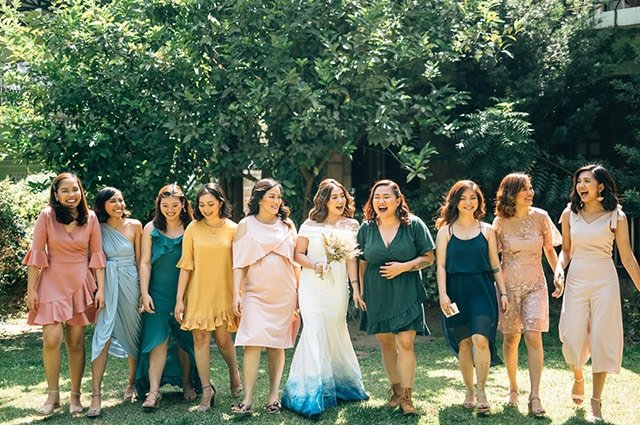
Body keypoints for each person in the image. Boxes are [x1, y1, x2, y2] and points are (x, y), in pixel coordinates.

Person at [554, 164, 640, 422]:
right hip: (577, 278)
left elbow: (627, 257)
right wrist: (559, 270)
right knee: (572, 338)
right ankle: (578, 376)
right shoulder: (569, 214)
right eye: (579, 181)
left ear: (600, 186)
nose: (581, 185)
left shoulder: (616, 216)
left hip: (605, 280)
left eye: (587, 181)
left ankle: (596, 402)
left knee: (602, 338)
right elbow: (566, 250)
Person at [281, 179, 368, 417]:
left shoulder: (352, 225)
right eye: (334, 197)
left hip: (337, 288)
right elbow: (298, 254)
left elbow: (352, 259)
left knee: (335, 332)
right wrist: (315, 265)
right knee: (314, 331)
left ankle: (342, 386)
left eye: (342, 196)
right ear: (324, 201)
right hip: (312, 286)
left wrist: (356, 288)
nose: (340, 201)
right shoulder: (309, 224)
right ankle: (308, 394)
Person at [24, 172, 106, 416]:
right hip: (51, 280)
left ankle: (75, 396)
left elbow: (97, 256)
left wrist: (100, 289)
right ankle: (53, 396)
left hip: (80, 282)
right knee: (51, 338)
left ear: (81, 192)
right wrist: (31, 290)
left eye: (75, 189)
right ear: (56, 194)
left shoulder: (91, 218)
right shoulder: (46, 216)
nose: (71, 195)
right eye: (65, 190)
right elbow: (36, 253)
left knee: (76, 342)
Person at [357, 179, 434, 416]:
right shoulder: (366, 228)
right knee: (387, 342)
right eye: (376, 197)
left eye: (386, 197)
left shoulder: (414, 225)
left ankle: (407, 397)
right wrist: (361, 292)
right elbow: (362, 262)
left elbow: (429, 257)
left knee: (406, 342)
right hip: (377, 292)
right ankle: (396, 389)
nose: (381, 201)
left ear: (398, 200)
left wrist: (404, 266)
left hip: (406, 290)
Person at [435, 180, 508, 415]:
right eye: (463, 198)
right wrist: (443, 295)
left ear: (479, 201)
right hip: (455, 291)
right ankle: (469, 391)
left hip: (482, 289)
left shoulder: (487, 230)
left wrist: (503, 292)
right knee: (464, 342)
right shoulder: (445, 232)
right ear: (455, 202)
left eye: (473, 198)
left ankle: (482, 392)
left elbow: (495, 265)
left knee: (480, 339)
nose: (468, 203)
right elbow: (440, 266)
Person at [492, 173, 562, 417]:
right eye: (525, 189)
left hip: (536, 285)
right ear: (511, 193)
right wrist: (500, 289)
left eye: (531, 188)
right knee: (511, 339)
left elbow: (550, 250)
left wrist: (559, 273)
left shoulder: (541, 217)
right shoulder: (500, 222)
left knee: (533, 335)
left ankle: (535, 396)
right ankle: (513, 389)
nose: (531, 193)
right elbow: (494, 259)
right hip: (508, 287)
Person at [230, 178, 299, 415]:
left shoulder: (288, 225)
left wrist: (299, 296)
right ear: (259, 199)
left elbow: (296, 264)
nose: (276, 201)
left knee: (277, 345)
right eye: (271, 196)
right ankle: (248, 399)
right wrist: (236, 294)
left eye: (279, 197)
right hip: (255, 294)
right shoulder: (245, 225)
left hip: (285, 293)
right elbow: (238, 263)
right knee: (252, 341)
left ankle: (273, 397)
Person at [174, 183, 242, 412]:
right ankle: (206, 390)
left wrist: (238, 294)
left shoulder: (234, 229)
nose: (205, 208)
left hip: (223, 292)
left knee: (223, 340)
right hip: (198, 292)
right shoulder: (192, 228)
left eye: (210, 204)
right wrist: (179, 299)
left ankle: (234, 371)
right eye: (201, 204)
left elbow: (239, 265)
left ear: (221, 203)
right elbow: (186, 265)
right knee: (200, 339)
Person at [135, 184, 200, 409]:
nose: (170, 210)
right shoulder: (150, 228)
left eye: (174, 205)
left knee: (184, 339)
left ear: (183, 205)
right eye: (165, 205)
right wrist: (144, 293)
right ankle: (154, 392)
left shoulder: (192, 227)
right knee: (158, 340)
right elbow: (145, 262)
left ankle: (187, 383)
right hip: (157, 293)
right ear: (159, 205)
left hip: (186, 292)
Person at [88, 187, 143, 417]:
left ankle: (132, 383)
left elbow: (141, 261)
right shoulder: (96, 228)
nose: (119, 205)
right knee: (102, 335)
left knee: (134, 333)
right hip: (106, 284)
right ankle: (95, 394)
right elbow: (94, 259)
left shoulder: (135, 225)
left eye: (121, 200)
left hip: (131, 282)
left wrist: (144, 292)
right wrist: (99, 289)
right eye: (113, 201)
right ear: (102, 205)